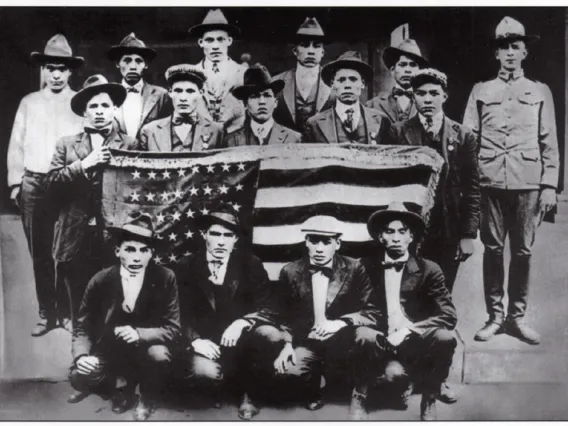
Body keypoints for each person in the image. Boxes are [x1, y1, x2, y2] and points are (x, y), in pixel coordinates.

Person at [463, 16, 559, 345]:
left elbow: (550, 141)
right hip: (488, 182)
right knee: (492, 250)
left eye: (515, 47)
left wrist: (549, 185)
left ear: (524, 52)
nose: (509, 53)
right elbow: (468, 140)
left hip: (529, 184)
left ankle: (517, 318)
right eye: (503, 47)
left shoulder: (539, 91)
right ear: (496, 54)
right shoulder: (480, 91)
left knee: (523, 252)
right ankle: (495, 317)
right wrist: (469, 186)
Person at [45, 75, 138, 332]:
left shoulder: (130, 144)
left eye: (105, 105)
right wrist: (83, 165)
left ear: (115, 109)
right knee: (80, 304)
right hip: (76, 237)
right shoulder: (66, 144)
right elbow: (50, 186)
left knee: (115, 303)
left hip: (113, 237)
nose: (99, 112)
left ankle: (112, 361)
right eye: (93, 106)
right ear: (84, 111)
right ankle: (83, 359)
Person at [67, 212, 180, 421]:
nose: (137, 257)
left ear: (152, 253)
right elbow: (82, 327)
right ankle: (117, 387)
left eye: (144, 250)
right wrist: (82, 356)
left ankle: (147, 397)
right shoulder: (101, 279)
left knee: (160, 355)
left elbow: (173, 328)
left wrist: (139, 333)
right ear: (118, 251)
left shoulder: (165, 278)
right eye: (129, 249)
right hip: (111, 349)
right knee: (78, 376)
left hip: (148, 347)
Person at [6, 34, 84, 336]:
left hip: (66, 183)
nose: (55, 74)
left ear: (70, 72)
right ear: (43, 70)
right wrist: (16, 183)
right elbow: (16, 144)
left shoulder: (79, 103)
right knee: (39, 251)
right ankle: (45, 312)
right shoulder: (29, 103)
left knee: (65, 250)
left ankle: (66, 313)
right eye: (50, 68)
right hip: (34, 182)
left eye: (61, 69)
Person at [178, 206, 284, 420]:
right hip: (207, 344)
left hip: (243, 343)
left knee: (271, 335)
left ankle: (248, 393)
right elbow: (176, 313)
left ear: (235, 239)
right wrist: (195, 340)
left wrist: (243, 322)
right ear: (204, 235)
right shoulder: (186, 265)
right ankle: (217, 387)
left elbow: (270, 308)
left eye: (228, 235)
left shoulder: (250, 264)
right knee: (204, 373)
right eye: (215, 234)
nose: (221, 241)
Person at [274, 215, 380, 420]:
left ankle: (358, 396)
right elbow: (282, 315)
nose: (320, 249)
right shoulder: (289, 271)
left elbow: (372, 312)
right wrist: (287, 344)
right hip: (307, 342)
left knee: (365, 340)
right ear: (306, 242)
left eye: (327, 242)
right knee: (287, 372)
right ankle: (313, 384)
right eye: (314, 241)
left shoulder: (354, 268)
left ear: (337, 243)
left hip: (342, 343)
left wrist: (340, 323)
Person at [361, 202, 458, 421]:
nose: (396, 238)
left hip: (415, 341)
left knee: (445, 338)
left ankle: (430, 396)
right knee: (393, 378)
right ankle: (366, 393)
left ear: (411, 237)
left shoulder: (428, 269)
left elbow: (449, 315)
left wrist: (409, 330)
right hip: (383, 341)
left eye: (402, 232)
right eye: (389, 231)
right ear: (380, 237)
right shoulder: (365, 266)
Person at [392, 68, 480, 294]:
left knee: (442, 288)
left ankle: (442, 327)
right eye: (421, 93)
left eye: (434, 93)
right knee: (409, 288)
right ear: (413, 97)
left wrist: (468, 234)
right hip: (410, 226)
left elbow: (472, 188)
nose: (428, 99)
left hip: (448, 227)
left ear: (445, 96)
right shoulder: (398, 132)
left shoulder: (463, 135)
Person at [305, 51, 393, 144]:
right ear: (332, 84)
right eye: (341, 80)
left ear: (362, 83)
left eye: (353, 79)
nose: (347, 85)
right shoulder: (314, 124)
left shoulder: (381, 120)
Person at [139, 64, 224, 152]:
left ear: (201, 93)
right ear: (170, 92)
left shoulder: (217, 130)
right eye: (178, 91)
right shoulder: (150, 131)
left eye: (190, 91)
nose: (183, 98)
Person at [189, 8, 248, 133]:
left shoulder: (242, 72)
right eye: (209, 40)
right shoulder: (191, 74)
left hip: (236, 138)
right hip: (200, 138)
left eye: (221, 39)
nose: (215, 46)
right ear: (201, 43)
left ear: (229, 41)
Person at [273, 17, 333, 135]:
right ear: (295, 51)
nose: (310, 51)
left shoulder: (334, 83)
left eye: (316, 46)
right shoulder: (276, 82)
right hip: (286, 148)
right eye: (305, 45)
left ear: (322, 52)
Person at [107, 33, 171, 138]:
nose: (132, 66)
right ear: (118, 64)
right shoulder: (108, 95)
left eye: (138, 61)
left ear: (145, 65)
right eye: (127, 61)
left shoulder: (161, 95)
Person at [227, 63, 302, 146]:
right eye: (254, 96)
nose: (262, 102)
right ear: (245, 104)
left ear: (275, 102)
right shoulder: (232, 140)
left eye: (267, 95)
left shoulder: (293, 138)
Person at [366, 38, 428, 124]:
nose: (407, 70)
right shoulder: (373, 104)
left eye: (413, 65)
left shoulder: (428, 103)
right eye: (402, 65)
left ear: (419, 71)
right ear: (392, 70)